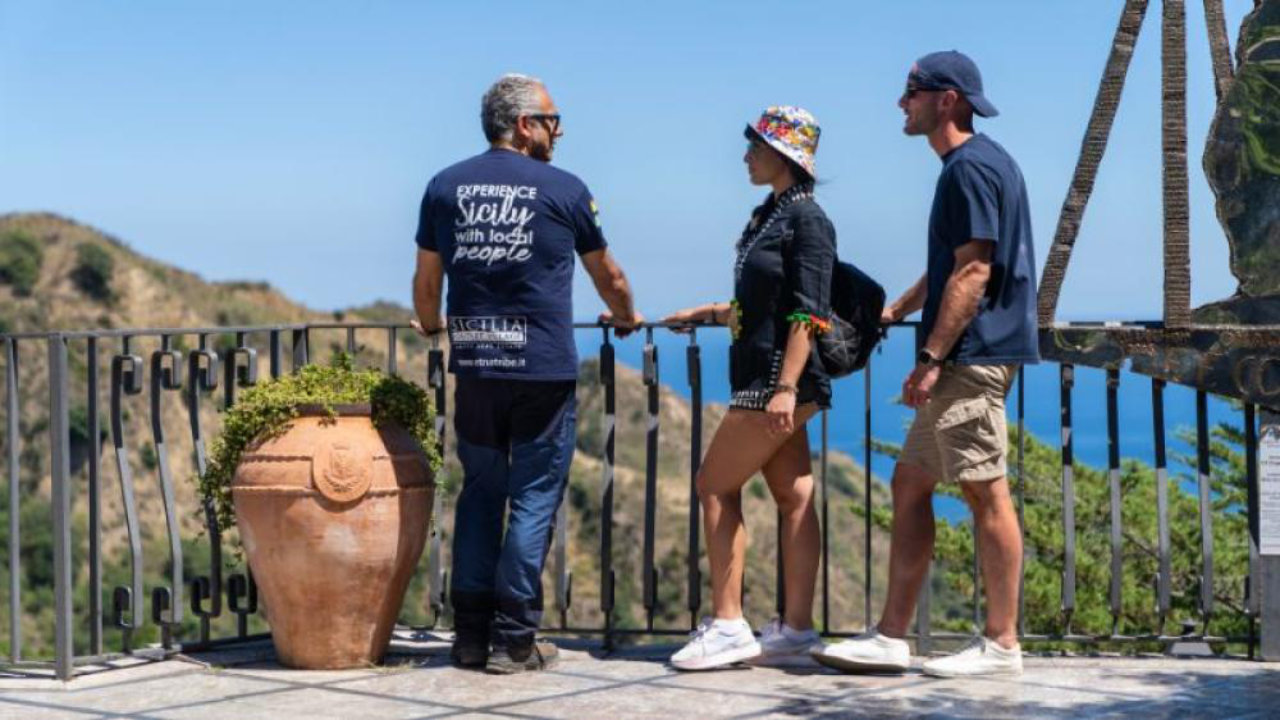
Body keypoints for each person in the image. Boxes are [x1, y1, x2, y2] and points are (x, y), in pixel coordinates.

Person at [812, 51, 1039, 678]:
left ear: (947, 99)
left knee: (984, 490)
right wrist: (903, 307)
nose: (900, 102)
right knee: (910, 484)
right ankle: (891, 636)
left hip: (973, 355)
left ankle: (1001, 644)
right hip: (972, 350)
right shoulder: (980, 163)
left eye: (911, 91)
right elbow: (955, 262)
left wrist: (931, 357)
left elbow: (974, 271)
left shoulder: (967, 169)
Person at [412, 73, 641, 674]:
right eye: (552, 119)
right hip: (540, 370)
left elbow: (426, 282)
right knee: (535, 496)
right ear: (523, 125)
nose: (558, 131)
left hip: (477, 365)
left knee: (481, 493)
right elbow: (608, 275)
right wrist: (625, 316)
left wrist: (430, 323)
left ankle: (467, 636)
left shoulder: (444, 186)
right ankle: (514, 640)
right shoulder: (564, 189)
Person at [663, 106, 836, 671]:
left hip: (772, 381)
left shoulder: (806, 219)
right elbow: (762, 306)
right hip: (768, 374)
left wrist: (784, 387)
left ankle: (730, 624)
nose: (745, 155)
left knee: (714, 485)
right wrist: (709, 312)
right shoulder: (771, 214)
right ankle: (796, 630)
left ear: (782, 154)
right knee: (793, 498)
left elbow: (807, 314)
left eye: (754, 146)